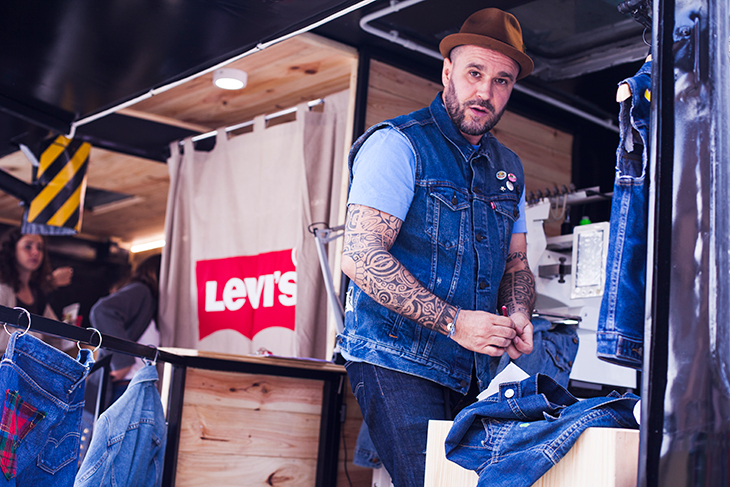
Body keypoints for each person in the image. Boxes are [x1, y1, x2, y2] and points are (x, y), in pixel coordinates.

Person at [339, 8, 539, 486]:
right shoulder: (397, 144)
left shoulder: (509, 169)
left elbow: (516, 262)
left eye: (502, 81)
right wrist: (455, 322)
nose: (485, 92)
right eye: (475, 73)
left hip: (474, 370)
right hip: (396, 358)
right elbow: (360, 256)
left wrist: (518, 313)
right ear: (447, 71)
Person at [90, 253, 161, 403]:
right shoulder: (142, 291)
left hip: (136, 388)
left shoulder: (152, 304)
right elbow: (102, 311)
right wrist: (122, 362)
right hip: (125, 388)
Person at [0, 227, 72, 351]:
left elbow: (55, 331)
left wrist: (67, 334)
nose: (35, 252)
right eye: (28, 247)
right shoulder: (2, 288)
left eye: (40, 248)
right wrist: (38, 335)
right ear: (12, 250)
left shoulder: (36, 292)